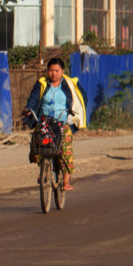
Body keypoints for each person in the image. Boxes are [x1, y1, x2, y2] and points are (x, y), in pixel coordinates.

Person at [23, 57, 87, 191]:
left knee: (65, 145)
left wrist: (74, 114)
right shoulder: (41, 83)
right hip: (44, 121)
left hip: (63, 122)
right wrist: (29, 109)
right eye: (51, 70)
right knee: (39, 141)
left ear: (63, 71)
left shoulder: (70, 84)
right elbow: (34, 98)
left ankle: (66, 181)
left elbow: (82, 98)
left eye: (57, 70)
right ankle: (44, 171)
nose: (53, 73)